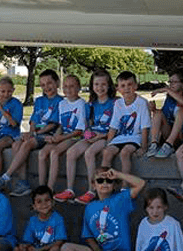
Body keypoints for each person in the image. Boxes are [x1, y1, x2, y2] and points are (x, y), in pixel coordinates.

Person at [3, 69, 63, 197]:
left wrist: (35, 134)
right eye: (43, 85)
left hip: (49, 134)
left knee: (26, 144)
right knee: (16, 145)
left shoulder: (61, 101)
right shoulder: (40, 100)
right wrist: (31, 132)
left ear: (57, 83)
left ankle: (7, 175)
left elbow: (53, 124)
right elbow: (34, 120)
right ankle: (23, 182)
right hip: (36, 133)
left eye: (49, 83)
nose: (46, 87)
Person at [59, 168, 147, 251]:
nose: (104, 183)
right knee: (66, 247)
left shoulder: (121, 199)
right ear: (93, 185)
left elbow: (141, 183)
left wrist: (118, 174)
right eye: (100, 181)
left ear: (114, 185)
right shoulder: (90, 207)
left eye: (109, 181)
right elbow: (88, 236)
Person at [64, 70, 116, 205]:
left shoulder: (115, 103)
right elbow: (86, 127)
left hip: (107, 137)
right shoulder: (90, 105)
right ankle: (70, 189)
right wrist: (88, 136)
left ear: (109, 85)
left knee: (89, 153)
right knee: (71, 152)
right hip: (93, 136)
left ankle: (92, 190)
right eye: (96, 84)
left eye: (103, 84)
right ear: (92, 86)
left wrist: (101, 136)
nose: (100, 87)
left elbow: (117, 127)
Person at [45, 74, 88, 197]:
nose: (68, 90)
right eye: (65, 86)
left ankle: (59, 188)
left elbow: (79, 131)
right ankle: (49, 188)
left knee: (55, 152)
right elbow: (61, 126)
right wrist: (55, 137)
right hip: (65, 135)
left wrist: (60, 138)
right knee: (47, 152)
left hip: (75, 137)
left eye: (72, 86)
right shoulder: (62, 104)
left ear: (79, 88)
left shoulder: (81, 104)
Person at [102, 71, 151, 175]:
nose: (126, 88)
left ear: (136, 86)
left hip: (135, 137)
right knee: (107, 153)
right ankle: (105, 182)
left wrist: (144, 147)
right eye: (123, 86)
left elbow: (145, 127)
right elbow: (113, 126)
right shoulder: (118, 103)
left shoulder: (142, 103)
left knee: (125, 152)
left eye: (130, 84)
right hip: (120, 137)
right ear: (118, 89)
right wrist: (107, 143)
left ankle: (125, 186)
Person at [148, 68, 183, 158]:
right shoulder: (169, 98)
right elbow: (165, 116)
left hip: (182, 136)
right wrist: (154, 110)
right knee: (158, 113)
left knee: (180, 109)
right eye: (170, 82)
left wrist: (166, 90)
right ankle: (154, 144)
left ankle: (169, 145)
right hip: (168, 133)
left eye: (174, 82)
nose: (171, 85)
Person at [0, 77, 24, 191]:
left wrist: (2, 110)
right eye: (3, 91)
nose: (6, 94)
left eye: (9, 91)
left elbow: (14, 124)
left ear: (13, 90)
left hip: (10, 134)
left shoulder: (16, 104)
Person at [17, 186, 67, 251]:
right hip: (35, 248)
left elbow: (59, 242)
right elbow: (28, 241)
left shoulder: (58, 218)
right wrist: (25, 246)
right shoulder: (32, 220)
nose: (44, 204)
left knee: (55, 248)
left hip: (49, 248)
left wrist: (41, 249)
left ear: (53, 202)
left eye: (47, 200)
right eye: (39, 202)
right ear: (34, 206)